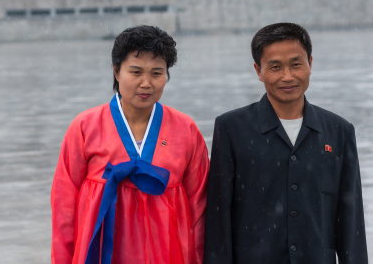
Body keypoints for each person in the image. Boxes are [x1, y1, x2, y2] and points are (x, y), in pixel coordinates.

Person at [204, 22, 368, 264]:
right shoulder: (232, 128)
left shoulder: (338, 131)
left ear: (310, 64)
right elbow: (219, 220)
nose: (287, 76)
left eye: (296, 64)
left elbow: (350, 221)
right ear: (258, 71)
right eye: (275, 67)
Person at [51, 25, 209, 264]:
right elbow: (64, 208)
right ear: (116, 71)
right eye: (135, 72)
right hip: (102, 253)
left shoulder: (186, 130)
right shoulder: (84, 127)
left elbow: (200, 210)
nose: (146, 83)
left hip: (169, 253)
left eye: (157, 73)